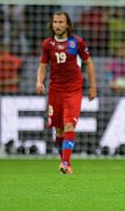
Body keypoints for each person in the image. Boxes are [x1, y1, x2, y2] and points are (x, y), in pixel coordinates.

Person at [37, 12, 97, 175]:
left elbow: (88, 63)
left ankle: (65, 163)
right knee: (59, 130)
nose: (57, 25)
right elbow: (43, 65)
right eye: (55, 22)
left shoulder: (76, 42)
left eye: (61, 22)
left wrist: (93, 86)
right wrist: (39, 81)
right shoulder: (47, 44)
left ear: (67, 25)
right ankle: (64, 158)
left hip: (73, 90)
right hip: (55, 90)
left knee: (70, 124)